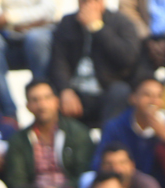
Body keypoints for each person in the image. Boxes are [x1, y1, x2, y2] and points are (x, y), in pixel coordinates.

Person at [3, 80, 95, 188]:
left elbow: (83, 173)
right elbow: (16, 179)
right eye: (35, 100)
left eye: (47, 98)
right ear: (28, 106)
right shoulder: (18, 139)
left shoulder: (78, 132)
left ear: (56, 101)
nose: (42, 105)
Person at [92, 75, 165, 188]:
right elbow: (97, 163)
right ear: (133, 98)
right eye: (147, 95)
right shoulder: (115, 127)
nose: (153, 101)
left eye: (158, 96)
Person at [50, 0, 141, 129]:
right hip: (75, 91)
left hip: (106, 89)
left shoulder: (121, 22)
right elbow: (59, 60)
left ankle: (110, 141)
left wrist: (97, 27)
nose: (88, 5)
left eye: (94, 1)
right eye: (84, 2)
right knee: (50, 96)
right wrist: (65, 90)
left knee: (121, 91)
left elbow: (127, 59)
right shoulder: (68, 22)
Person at [0, 0, 56, 119]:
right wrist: (22, 20)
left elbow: (48, 11)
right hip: (6, 37)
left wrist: (10, 17)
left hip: (37, 34)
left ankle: (42, 104)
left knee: (37, 39)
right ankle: (8, 113)